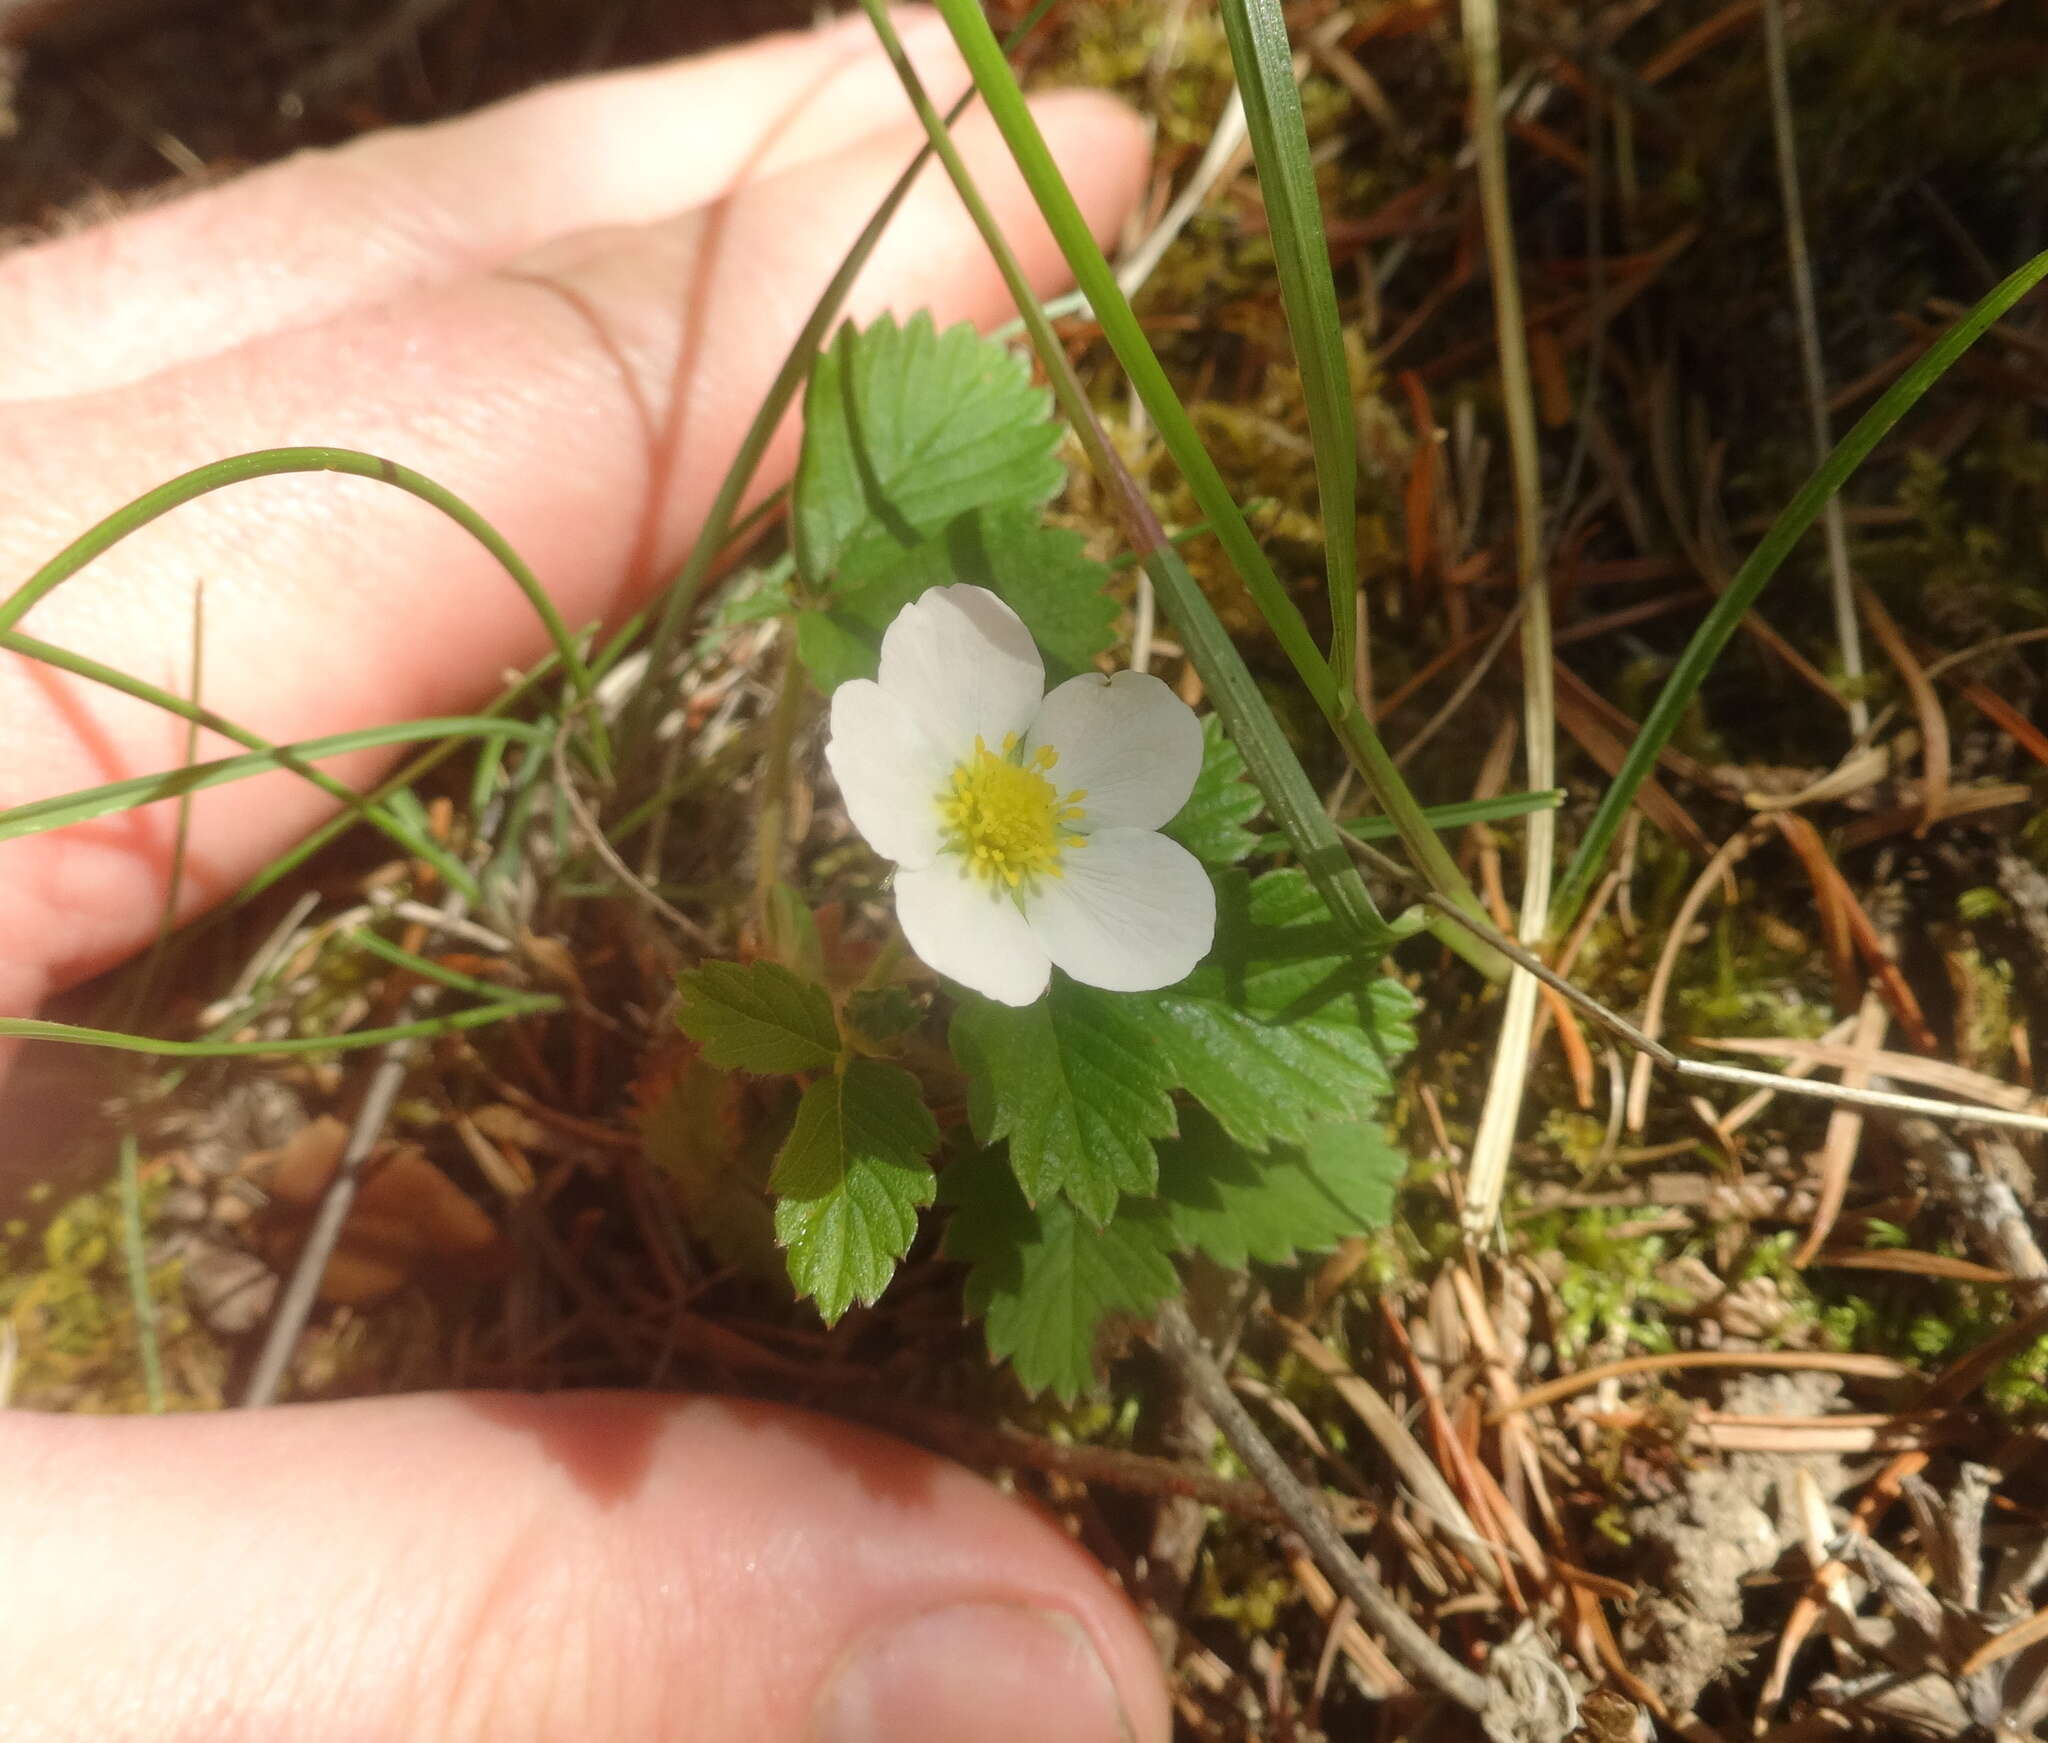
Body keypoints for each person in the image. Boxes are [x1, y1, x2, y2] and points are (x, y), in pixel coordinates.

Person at [0, 10, 1167, 1739]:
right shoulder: (919, 815)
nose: (1012, 821)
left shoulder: (1032, 865)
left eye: (1017, 824)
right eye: (998, 815)